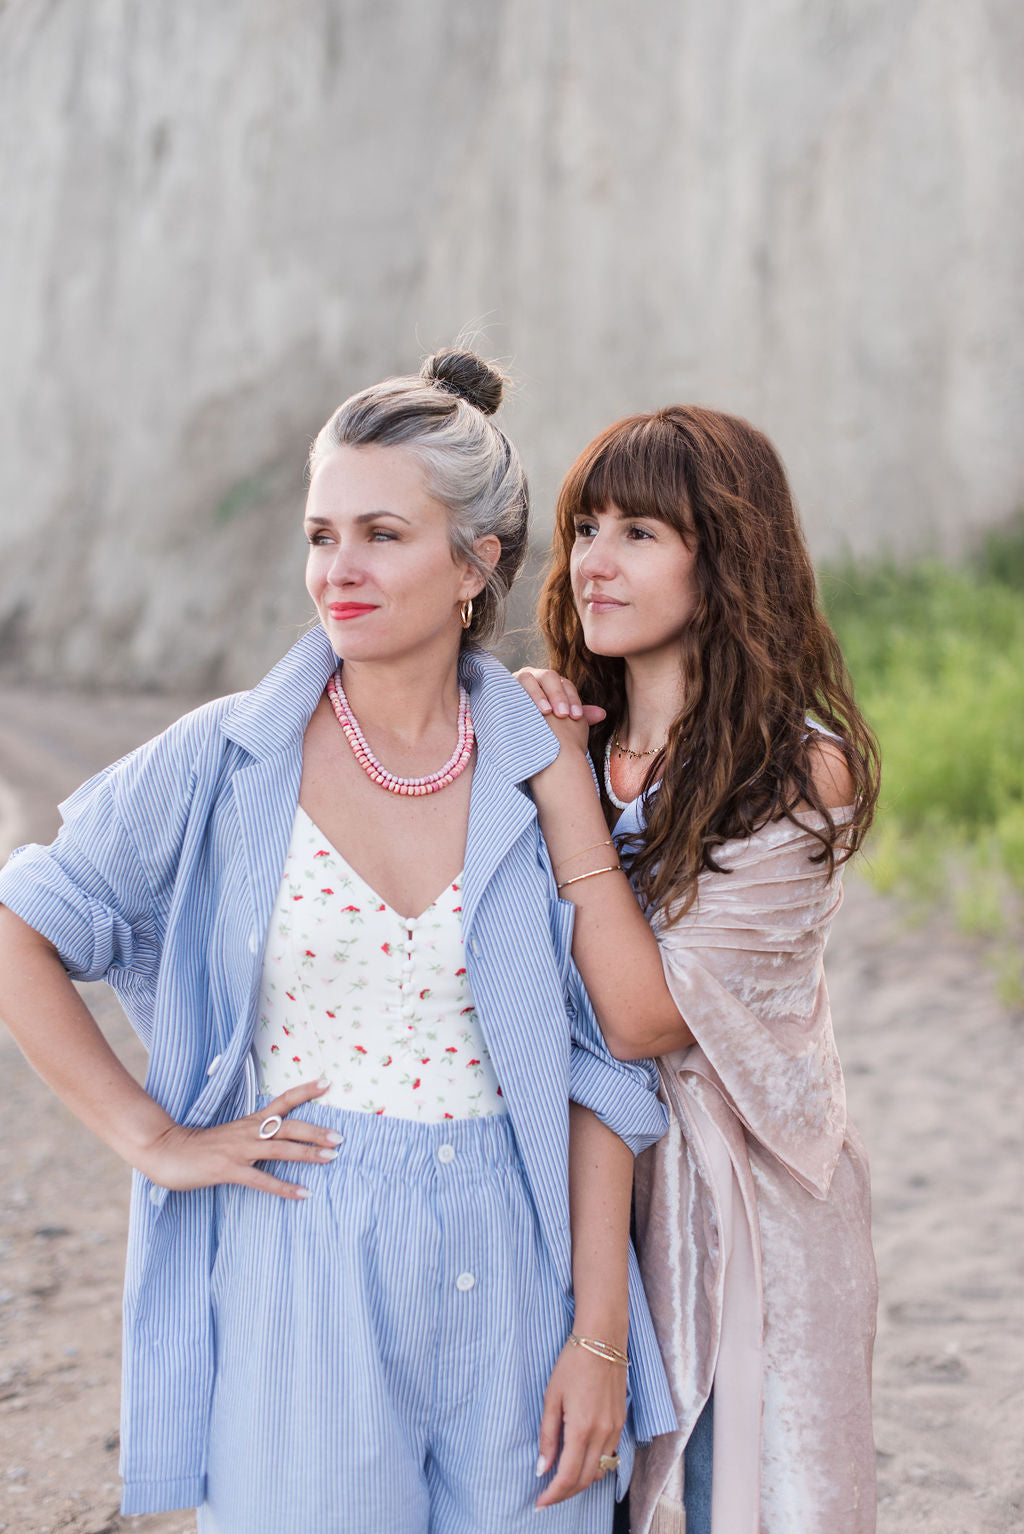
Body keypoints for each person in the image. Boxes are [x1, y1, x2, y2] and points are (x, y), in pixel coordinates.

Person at [0, 351, 678, 1533]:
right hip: (299, 1252)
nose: (339, 570)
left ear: (476, 564)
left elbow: (602, 1068)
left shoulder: (538, 766)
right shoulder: (223, 757)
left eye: (381, 533)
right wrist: (152, 1137)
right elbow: (22, 921)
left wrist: (599, 1341)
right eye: (321, 535)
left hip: (517, 1262)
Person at [516, 405, 881, 1534]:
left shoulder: (799, 770)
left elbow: (638, 1015)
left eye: (638, 532)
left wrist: (563, 787)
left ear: (723, 560)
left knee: (748, 1505)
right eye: (585, 527)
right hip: (567, 1189)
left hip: (746, 1215)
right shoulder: (565, 739)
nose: (592, 561)